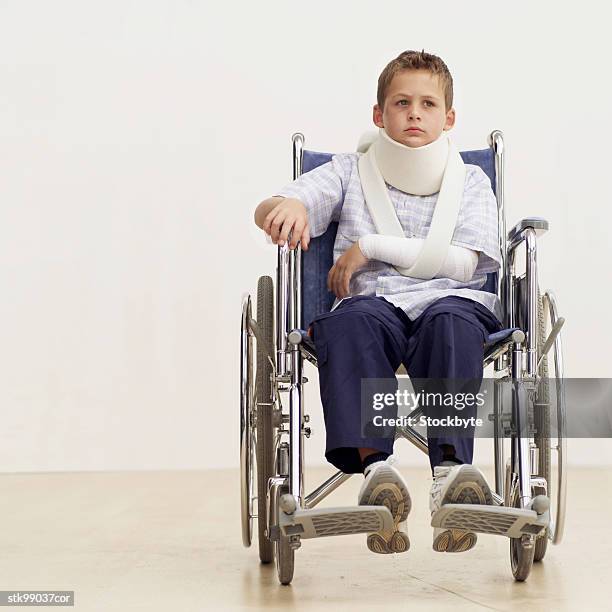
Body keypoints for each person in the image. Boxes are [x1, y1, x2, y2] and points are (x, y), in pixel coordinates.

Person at [253, 50, 502, 555]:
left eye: (428, 104)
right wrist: (286, 207)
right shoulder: (348, 172)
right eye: (401, 102)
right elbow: (271, 205)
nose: (414, 113)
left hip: (452, 300)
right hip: (373, 306)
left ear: (448, 118)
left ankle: (451, 475)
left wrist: (370, 248)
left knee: (451, 323)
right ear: (378, 115)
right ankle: (377, 474)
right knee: (344, 325)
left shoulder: (471, 181)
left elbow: (462, 264)